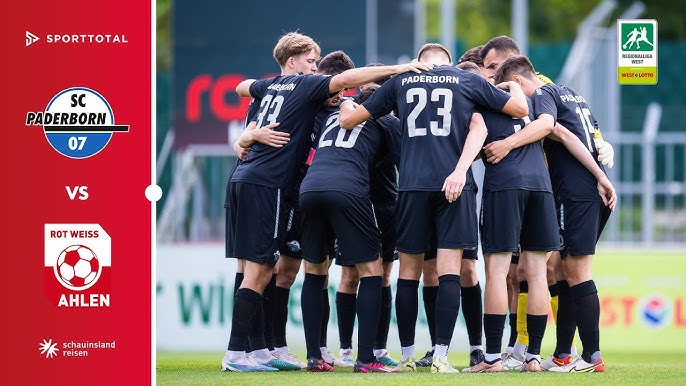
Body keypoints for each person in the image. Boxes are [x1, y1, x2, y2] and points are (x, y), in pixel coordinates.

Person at [222, 31, 430, 373]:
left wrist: (247, 135)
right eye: (311, 61)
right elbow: (346, 80)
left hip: (273, 184)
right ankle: (239, 354)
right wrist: (403, 67)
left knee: (268, 269)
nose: (316, 69)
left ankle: (268, 350)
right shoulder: (308, 88)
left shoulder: (270, 85)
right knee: (268, 270)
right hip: (277, 184)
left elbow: (242, 87)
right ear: (293, 62)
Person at [339, 42, 529, 373]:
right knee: (450, 271)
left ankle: (408, 355)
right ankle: (441, 355)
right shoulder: (466, 80)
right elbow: (519, 110)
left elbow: (351, 119)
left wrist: (347, 103)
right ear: (449, 63)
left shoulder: (401, 81)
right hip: (453, 185)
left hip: (412, 186)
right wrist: (511, 84)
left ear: (419, 62)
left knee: (409, 273)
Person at [479, 35, 616, 371]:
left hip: (572, 191)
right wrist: (601, 172)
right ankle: (558, 352)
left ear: (514, 71)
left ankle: (585, 354)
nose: (493, 81)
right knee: (556, 269)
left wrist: (507, 144)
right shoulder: (568, 90)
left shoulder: (542, 92)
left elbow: (553, 127)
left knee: (569, 272)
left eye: (495, 71)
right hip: (578, 189)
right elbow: (579, 132)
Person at [458, 60, 561, 373]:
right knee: (538, 273)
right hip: (541, 187)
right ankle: (532, 357)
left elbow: (473, 146)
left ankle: (491, 359)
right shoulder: (530, 102)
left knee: (498, 270)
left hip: (505, 187)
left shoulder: (481, 107)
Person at [299, 83, 399, 373]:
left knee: (314, 270)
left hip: (311, 188)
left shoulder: (330, 117)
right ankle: (367, 359)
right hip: (347, 190)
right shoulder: (385, 118)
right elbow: (401, 158)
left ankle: (314, 357)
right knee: (371, 271)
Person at [334, 64, 401, 369]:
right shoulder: (354, 121)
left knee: (382, 276)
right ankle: (347, 349)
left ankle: (378, 347)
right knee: (351, 277)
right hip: (358, 204)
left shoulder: (391, 122)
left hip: (386, 205)